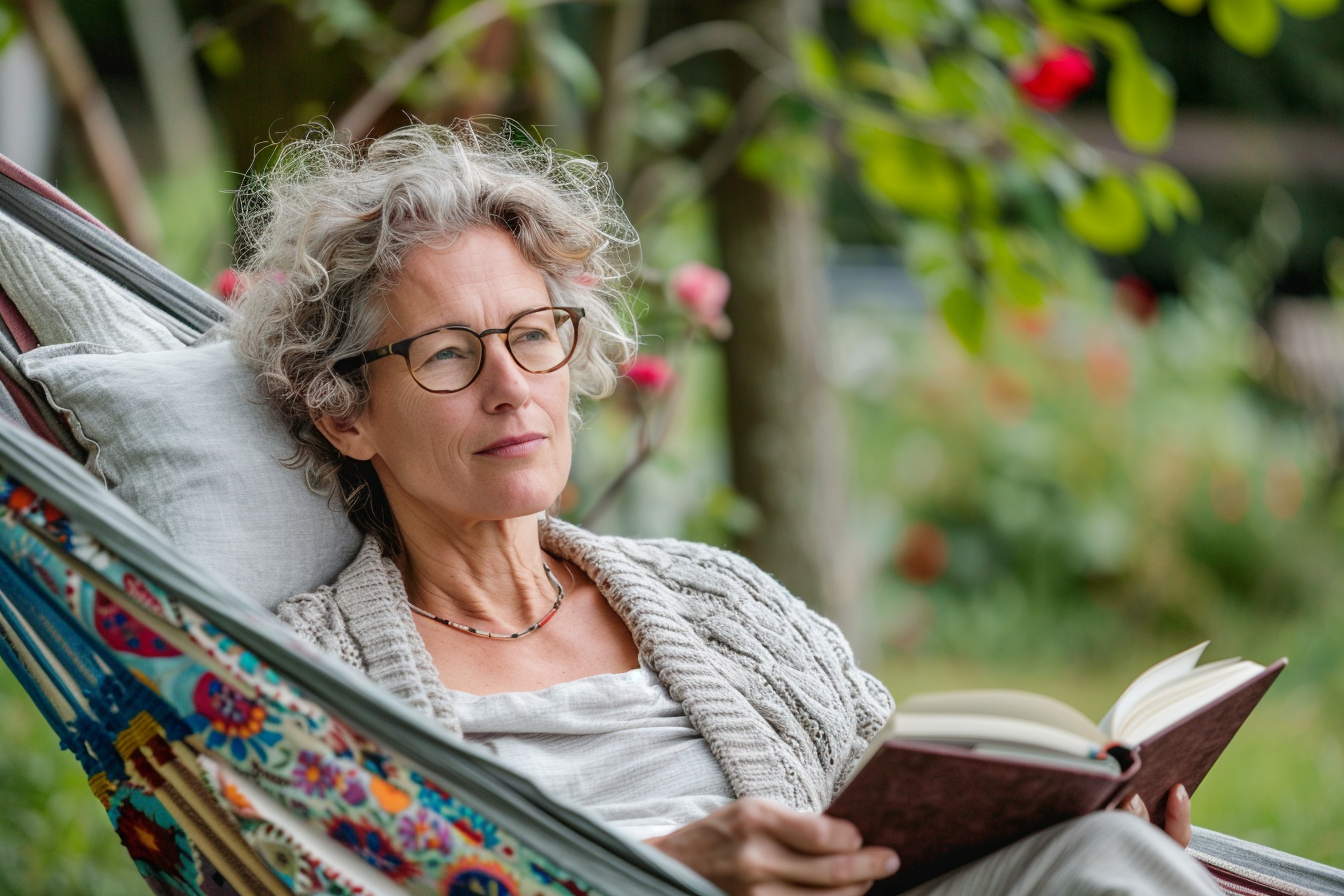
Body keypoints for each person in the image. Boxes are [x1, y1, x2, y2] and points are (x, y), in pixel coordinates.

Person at [231, 122, 1220, 896]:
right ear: (345, 411)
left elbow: (901, 821)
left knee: (1104, 855)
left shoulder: (715, 597)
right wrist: (671, 869)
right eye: (449, 354)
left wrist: (1075, 821)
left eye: (535, 335)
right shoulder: (309, 672)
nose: (511, 385)